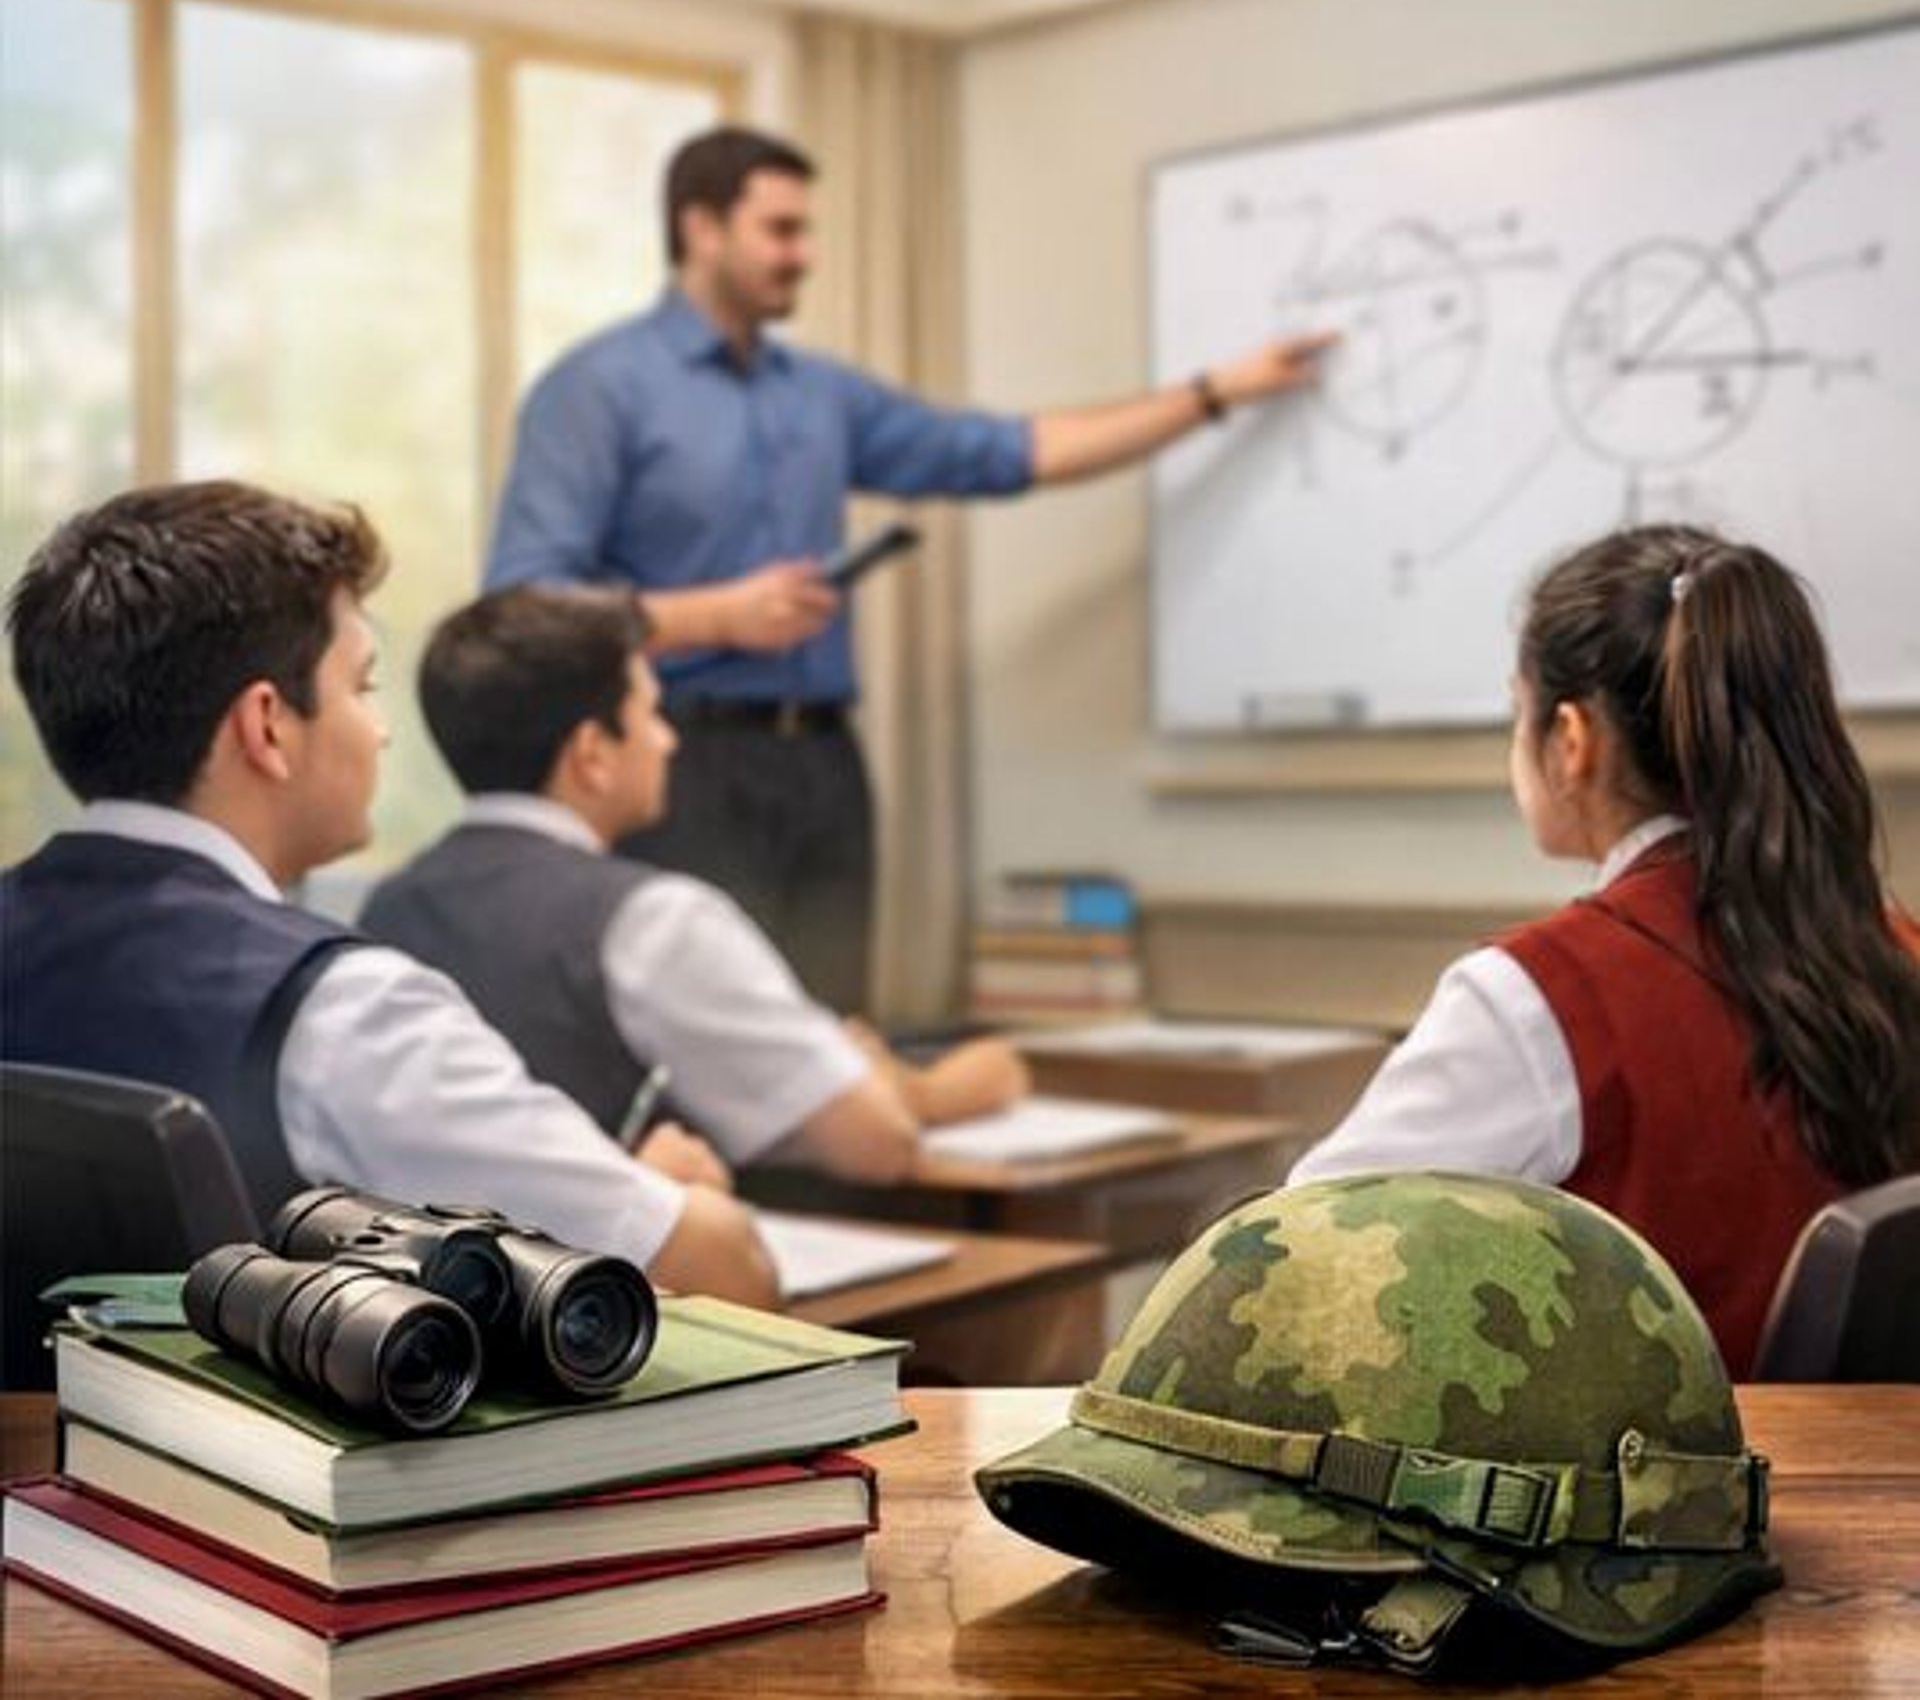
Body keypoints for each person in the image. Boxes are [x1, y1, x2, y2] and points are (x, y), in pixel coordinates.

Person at [485, 123, 1335, 1012]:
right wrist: (720, 617)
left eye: (807, 231)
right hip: (678, 763)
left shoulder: (820, 394)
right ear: (700, 229)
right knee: (704, 1038)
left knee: (836, 1035)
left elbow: (1013, 451)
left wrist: (1212, 395)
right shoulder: (595, 388)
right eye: (781, 231)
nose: (806, 255)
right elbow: (524, 602)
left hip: (824, 765)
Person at [1, 482, 777, 1308]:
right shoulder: (343, 1012)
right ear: (267, 726)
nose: (380, 730)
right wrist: (648, 1192)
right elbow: (726, 1272)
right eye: (363, 686)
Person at [1290, 523, 1920, 1375]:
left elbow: (1290, 1267)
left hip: (1653, 1498)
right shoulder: (1896, 950)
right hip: (1860, 1484)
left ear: (1571, 740)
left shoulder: (1539, 999)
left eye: (1518, 713)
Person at [359, 584, 1032, 1185]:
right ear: (592, 754)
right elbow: (875, 1144)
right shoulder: (654, 922)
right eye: (652, 714)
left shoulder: (386, 909)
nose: (668, 741)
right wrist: (901, 1087)